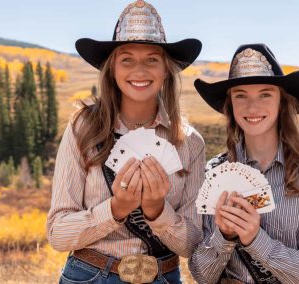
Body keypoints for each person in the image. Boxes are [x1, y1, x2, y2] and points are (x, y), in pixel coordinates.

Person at [47, 1, 205, 283]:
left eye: (152, 59)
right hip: (89, 275)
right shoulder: (83, 128)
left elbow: (194, 243)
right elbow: (58, 233)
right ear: (112, 69)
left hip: (164, 276)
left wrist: (157, 210)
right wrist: (116, 209)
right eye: (127, 59)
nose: (140, 70)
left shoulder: (190, 143)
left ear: (166, 69)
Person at [189, 44, 299, 284]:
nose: (252, 107)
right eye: (241, 95)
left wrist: (256, 239)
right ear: (230, 105)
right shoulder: (214, 172)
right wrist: (224, 236)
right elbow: (202, 275)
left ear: (281, 101)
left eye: (265, 94)